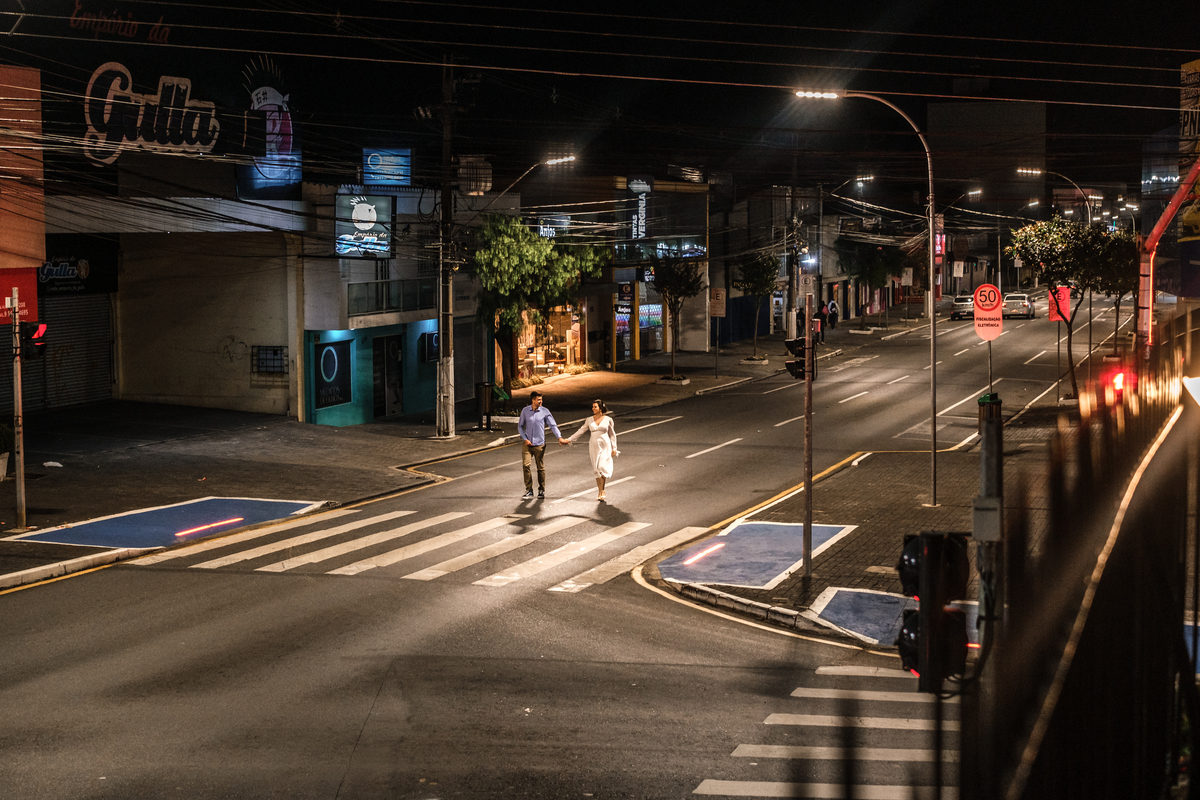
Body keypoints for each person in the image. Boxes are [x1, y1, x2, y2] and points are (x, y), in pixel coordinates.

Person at [517, 390, 569, 499]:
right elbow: (520, 426)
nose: (541, 401)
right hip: (527, 444)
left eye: (541, 399)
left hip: (540, 444)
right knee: (526, 465)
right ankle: (529, 490)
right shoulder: (525, 411)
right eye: (538, 399)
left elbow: (553, 425)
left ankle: (541, 490)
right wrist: (525, 439)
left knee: (540, 468)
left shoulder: (545, 411)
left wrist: (559, 437)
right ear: (533, 400)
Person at [568, 399, 619, 501]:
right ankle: (600, 492)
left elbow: (612, 435)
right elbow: (581, 430)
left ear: (600, 408)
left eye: (595, 407)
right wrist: (569, 439)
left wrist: (614, 448)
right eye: (592, 407)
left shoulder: (608, 419)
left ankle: (603, 490)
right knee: (596, 469)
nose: (593, 409)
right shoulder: (589, 420)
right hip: (594, 446)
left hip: (605, 445)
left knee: (602, 466)